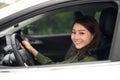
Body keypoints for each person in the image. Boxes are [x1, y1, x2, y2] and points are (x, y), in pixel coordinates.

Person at [22, 16, 101, 65]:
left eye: (81, 33)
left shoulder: (89, 61)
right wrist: (31, 49)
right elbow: (55, 66)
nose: (76, 37)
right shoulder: (81, 53)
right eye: (73, 32)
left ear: (93, 35)